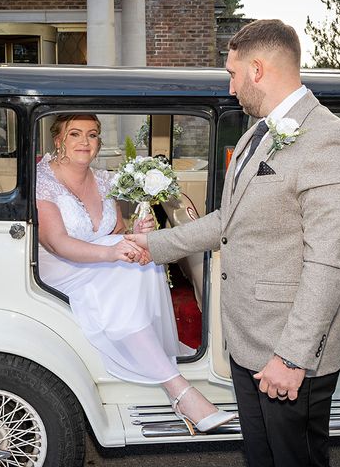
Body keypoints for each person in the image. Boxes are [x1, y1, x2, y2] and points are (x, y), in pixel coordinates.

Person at [127, 20, 340, 466]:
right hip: (247, 339)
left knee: (295, 459)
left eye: (232, 74)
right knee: (260, 456)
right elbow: (229, 220)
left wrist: (292, 358)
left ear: (257, 69)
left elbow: (329, 265)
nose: (231, 87)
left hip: (289, 349)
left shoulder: (330, 141)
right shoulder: (254, 135)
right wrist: (154, 245)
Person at [36, 114, 236, 434]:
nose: (85, 142)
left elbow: (115, 229)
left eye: (92, 134)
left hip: (97, 259)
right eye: (75, 134)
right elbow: (58, 243)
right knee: (127, 267)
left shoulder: (101, 178)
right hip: (63, 268)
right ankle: (180, 392)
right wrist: (113, 252)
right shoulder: (43, 180)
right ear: (58, 140)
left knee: (143, 257)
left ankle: (147, 347)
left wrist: (136, 232)